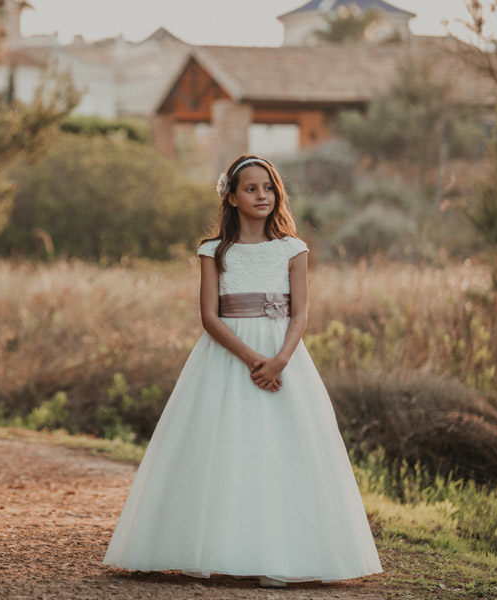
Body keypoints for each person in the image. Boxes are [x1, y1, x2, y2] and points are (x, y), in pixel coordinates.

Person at [103, 155, 382, 588]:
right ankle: (216, 547)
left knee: (283, 447)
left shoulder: (293, 249)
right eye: (250, 189)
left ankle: (284, 553)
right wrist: (254, 360)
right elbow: (210, 317)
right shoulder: (213, 251)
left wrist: (280, 360)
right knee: (225, 444)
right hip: (229, 356)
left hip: (284, 357)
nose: (262, 196)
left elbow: (301, 314)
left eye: (268, 188)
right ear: (231, 198)